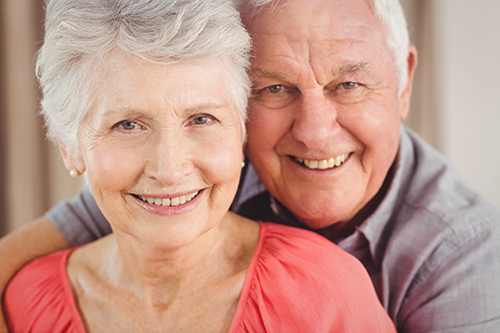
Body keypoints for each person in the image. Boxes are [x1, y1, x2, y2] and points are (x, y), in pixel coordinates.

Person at [1, 0, 500, 331]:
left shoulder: (463, 253)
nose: (314, 131)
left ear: (404, 83)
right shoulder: (38, 292)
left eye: (347, 85)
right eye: (276, 88)